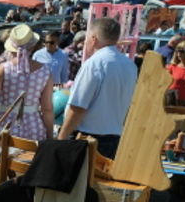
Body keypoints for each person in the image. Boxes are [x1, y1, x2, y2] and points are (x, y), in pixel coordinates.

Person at [58, 16, 137, 158]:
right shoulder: (130, 65)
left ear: (93, 39)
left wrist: (61, 138)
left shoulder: (94, 64)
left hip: (88, 138)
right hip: (114, 136)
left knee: (81, 179)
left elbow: (78, 107)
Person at [0, 24, 54, 142]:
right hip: (34, 128)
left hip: (4, 127)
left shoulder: (2, 69)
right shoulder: (45, 72)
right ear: (32, 46)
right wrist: (50, 136)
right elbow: (47, 109)